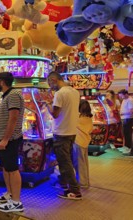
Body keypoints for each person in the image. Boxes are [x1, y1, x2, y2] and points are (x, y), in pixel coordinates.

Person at [0, 72, 25, 212]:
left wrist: (6, 139)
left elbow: (13, 118)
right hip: (3, 138)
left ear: (2, 82)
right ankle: (10, 194)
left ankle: (16, 202)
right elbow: (4, 119)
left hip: (10, 139)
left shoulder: (13, 95)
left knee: (12, 169)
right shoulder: (7, 96)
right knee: (6, 168)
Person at [45, 71, 82, 200]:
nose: (50, 86)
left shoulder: (60, 94)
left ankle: (75, 191)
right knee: (68, 161)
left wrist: (47, 104)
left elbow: (55, 114)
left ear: (54, 79)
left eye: (50, 82)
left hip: (61, 132)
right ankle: (64, 184)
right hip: (71, 131)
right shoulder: (75, 92)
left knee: (65, 164)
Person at [72, 100, 93, 188]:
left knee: (79, 164)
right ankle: (86, 181)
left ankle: (82, 183)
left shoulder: (77, 118)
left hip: (78, 141)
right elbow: (90, 130)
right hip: (85, 141)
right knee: (84, 163)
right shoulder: (89, 118)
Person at [118, 89, 133, 156]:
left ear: (126, 94)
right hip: (124, 118)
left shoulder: (130, 100)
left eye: (122, 96)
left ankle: (128, 147)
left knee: (128, 134)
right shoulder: (124, 100)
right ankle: (126, 146)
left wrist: (122, 113)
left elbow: (131, 111)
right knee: (125, 133)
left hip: (128, 118)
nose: (121, 97)